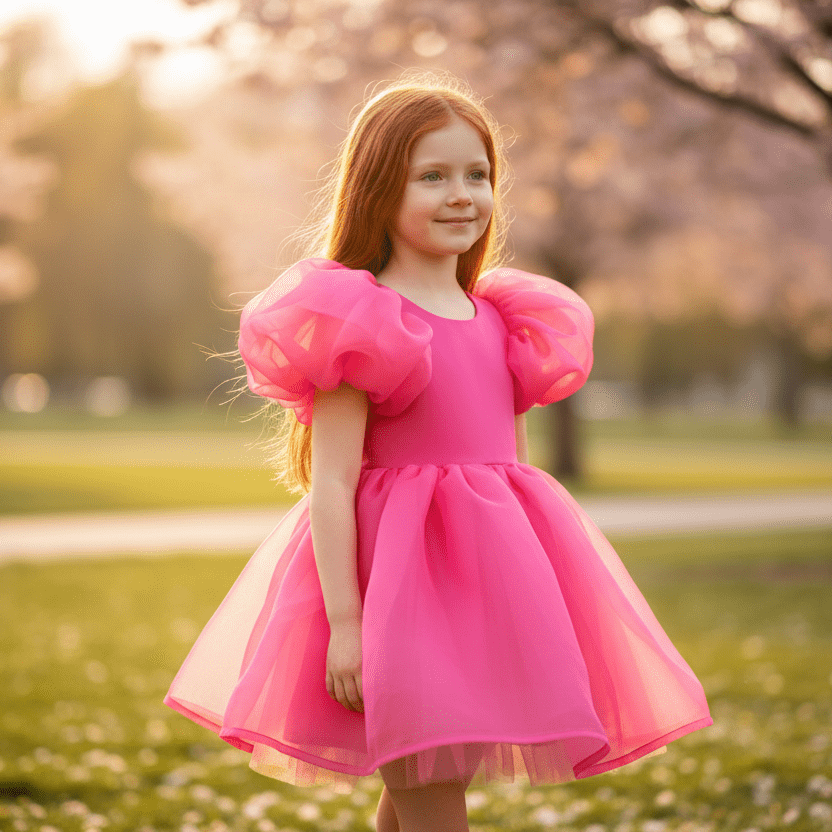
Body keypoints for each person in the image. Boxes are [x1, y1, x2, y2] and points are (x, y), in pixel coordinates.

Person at [164, 70, 713, 832]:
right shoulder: (359, 320)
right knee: (431, 782)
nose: (462, 193)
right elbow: (330, 484)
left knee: (429, 777)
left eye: (477, 174)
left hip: (484, 591)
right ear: (379, 190)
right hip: (391, 593)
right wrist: (348, 623)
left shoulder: (507, 320)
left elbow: (511, 477)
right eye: (433, 176)